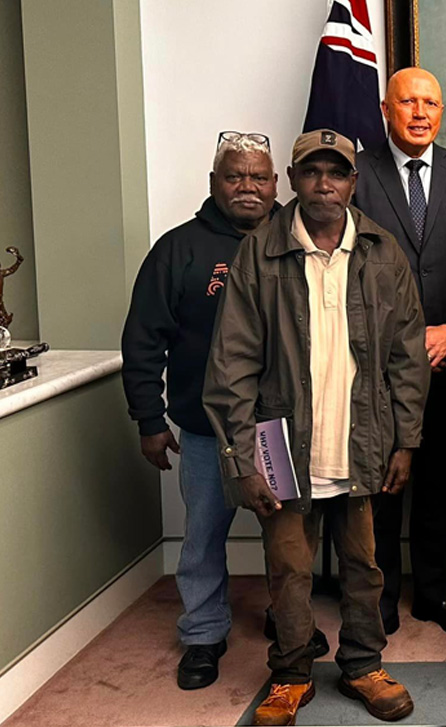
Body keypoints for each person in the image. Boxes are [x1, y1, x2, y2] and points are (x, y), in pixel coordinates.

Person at [204, 130, 427, 725]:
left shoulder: (383, 252)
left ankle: (362, 665)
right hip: (283, 448)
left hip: (361, 445)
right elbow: (231, 363)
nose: (324, 183)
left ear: (353, 182)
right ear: (294, 181)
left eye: (337, 173)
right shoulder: (259, 253)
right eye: (311, 173)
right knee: (290, 570)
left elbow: (408, 357)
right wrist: (244, 459)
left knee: (364, 566)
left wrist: (406, 440)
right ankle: (291, 673)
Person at [120, 132, 318, 690]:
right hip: (207, 431)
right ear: (214, 183)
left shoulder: (303, 240)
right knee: (203, 534)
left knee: (288, 536)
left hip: (281, 428)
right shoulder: (179, 249)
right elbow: (142, 340)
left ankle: (290, 620)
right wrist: (150, 419)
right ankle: (204, 633)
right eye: (235, 176)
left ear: (276, 183)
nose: (248, 188)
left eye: (259, 177)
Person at [355, 67, 446, 638]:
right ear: (386, 109)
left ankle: (434, 595)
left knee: (437, 478)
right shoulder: (356, 175)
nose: (420, 112)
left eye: (431, 103)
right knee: (379, 482)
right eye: (408, 102)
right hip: (373, 364)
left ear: (442, 113)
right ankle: (381, 596)